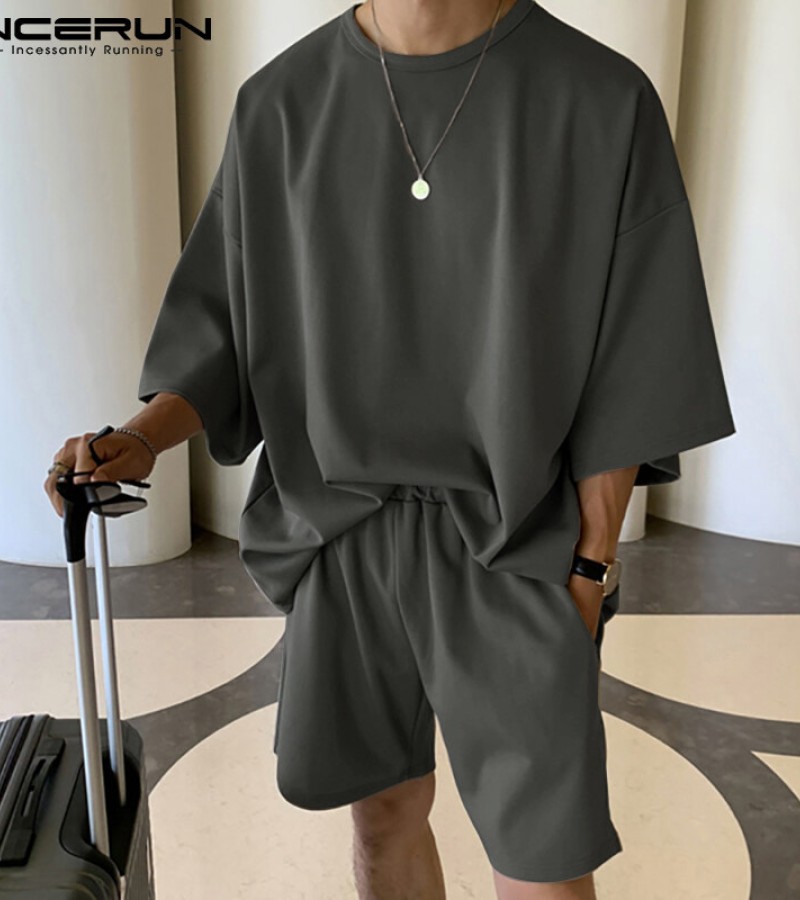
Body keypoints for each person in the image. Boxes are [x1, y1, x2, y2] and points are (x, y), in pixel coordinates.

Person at [45, 0, 736, 897]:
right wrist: (140, 437)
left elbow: (635, 353)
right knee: (381, 820)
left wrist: (589, 568)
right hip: (342, 535)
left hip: (517, 540)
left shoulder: (601, 97)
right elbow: (227, 326)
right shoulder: (281, 103)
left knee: (544, 861)